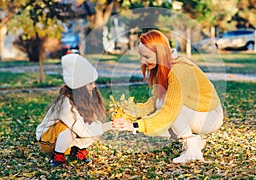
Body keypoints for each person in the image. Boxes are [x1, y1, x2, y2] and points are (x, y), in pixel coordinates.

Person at [113, 30, 223, 163]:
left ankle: (192, 150)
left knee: (164, 107)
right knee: (159, 107)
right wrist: (131, 113)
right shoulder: (162, 68)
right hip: (196, 113)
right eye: (141, 56)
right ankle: (195, 142)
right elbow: (153, 103)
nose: (142, 61)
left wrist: (135, 126)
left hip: (210, 116)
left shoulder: (179, 69)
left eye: (147, 57)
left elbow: (169, 112)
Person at [36, 54, 112, 167]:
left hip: (65, 137)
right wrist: (108, 126)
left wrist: (104, 125)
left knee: (95, 125)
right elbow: (80, 129)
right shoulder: (66, 101)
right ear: (80, 85)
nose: (94, 86)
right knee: (71, 129)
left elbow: (89, 126)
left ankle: (76, 150)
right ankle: (57, 156)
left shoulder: (86, 97)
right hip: (48, 139)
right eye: (90, 83)